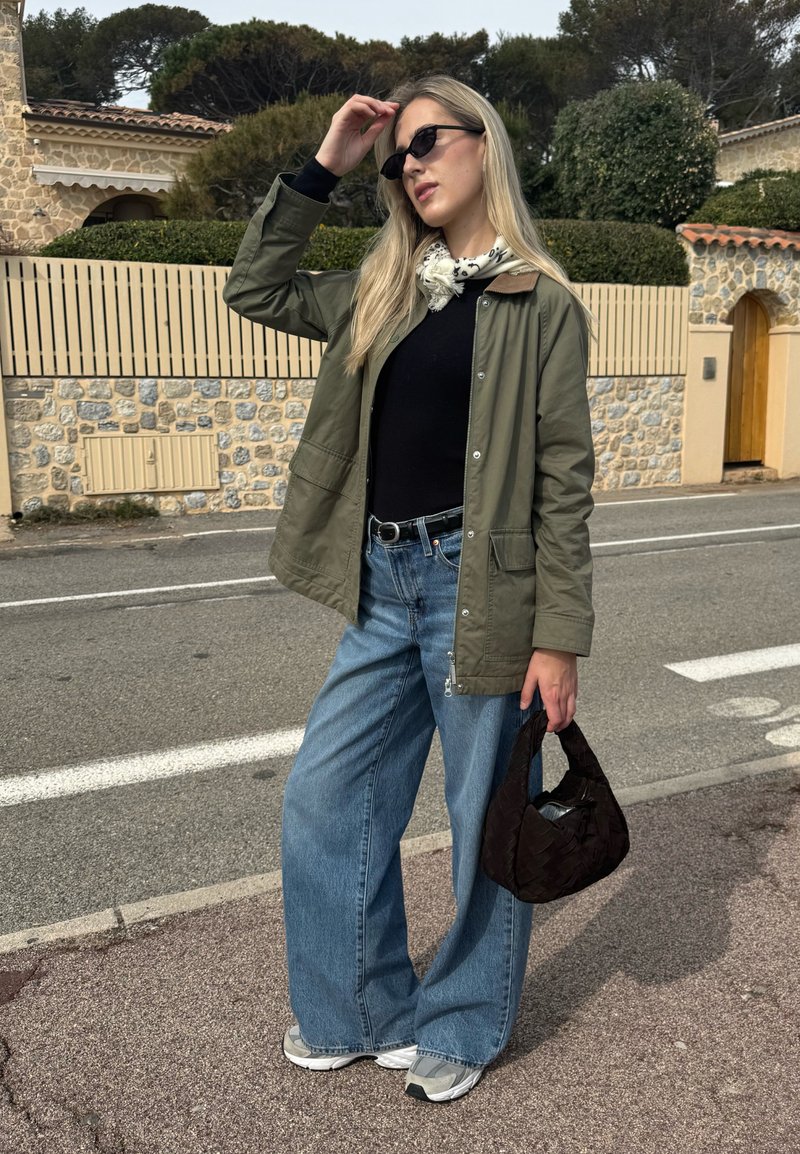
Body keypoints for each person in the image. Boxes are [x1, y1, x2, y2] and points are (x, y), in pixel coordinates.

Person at [223, 75, 595, 1104]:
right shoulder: (385, 286)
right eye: (398, 158)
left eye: (428, 142)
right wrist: (326, 164)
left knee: (484, 818)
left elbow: (564, 481)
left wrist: (559, 636)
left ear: (485, 143)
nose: (411, 166)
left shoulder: (541, 304)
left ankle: (463, 1021)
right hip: (382, 582)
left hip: (483, 584)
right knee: (325, 799)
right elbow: (254, 287)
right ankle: (358, 1007)